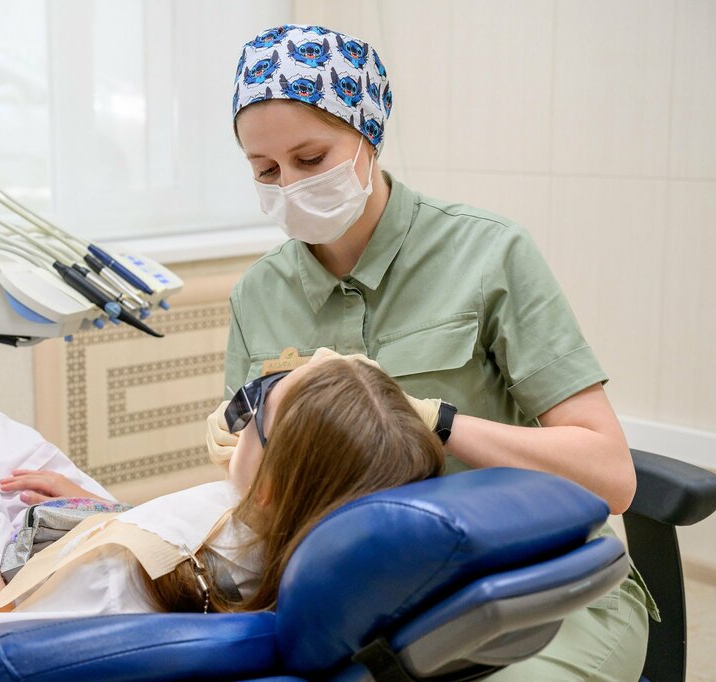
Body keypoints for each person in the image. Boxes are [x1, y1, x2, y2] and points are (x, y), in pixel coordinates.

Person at [208, 23, 654, 681]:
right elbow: (255, 490)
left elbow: (612, 476)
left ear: (367, 135)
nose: (290, 185)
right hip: (366, 612)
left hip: (535, 593)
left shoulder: (489, 254)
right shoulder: (258, 295)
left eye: (311, 159)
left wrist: (435, 421)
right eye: (266, 171)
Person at [0, 342, 443, 634]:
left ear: (274, 485)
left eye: (256, 415)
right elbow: (189, 549)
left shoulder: (122, 578)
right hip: (88, 545)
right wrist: (100, 513)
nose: (241, 417)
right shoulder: (285, 541)